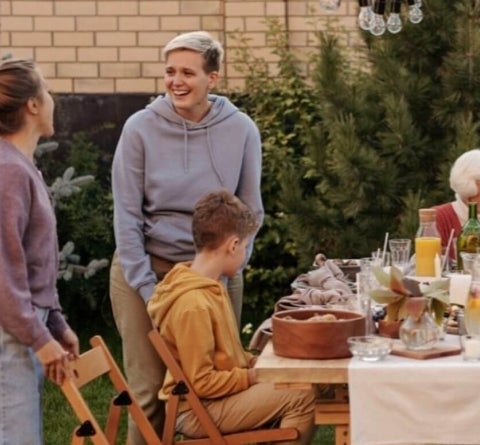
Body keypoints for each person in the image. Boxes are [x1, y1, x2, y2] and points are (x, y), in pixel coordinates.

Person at [111, 31, 264, 445]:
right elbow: (125, 216)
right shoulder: (139, 128)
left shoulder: (241, 130)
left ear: (212, 79)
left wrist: (225, 268)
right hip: (146, 268)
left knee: (216, 383)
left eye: (187, 72)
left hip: (215, 272)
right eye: (170, 72)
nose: (176, 81)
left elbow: (251, 211)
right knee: (148, 395)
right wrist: (149, 290)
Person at [0, 59, 79, 444]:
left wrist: (54, 322)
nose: (52, 99)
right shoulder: (5, 172)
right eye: (48, 91)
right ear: (33, 105)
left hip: (8, 326)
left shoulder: (19, 167)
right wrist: (40, 339)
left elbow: (31, 261)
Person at [148, 190, 315, 443]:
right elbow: (202, 382)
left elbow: (227, 356)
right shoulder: (193, 304)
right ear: (233, 245)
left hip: (217, 399)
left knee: (302, 380)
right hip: (197, 410)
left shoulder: (211, 286)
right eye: (245, 246)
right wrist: (252, 376)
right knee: (302, 395)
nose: (244, 252)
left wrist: (257, 363)